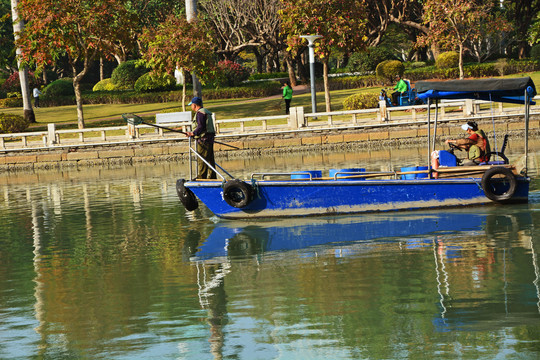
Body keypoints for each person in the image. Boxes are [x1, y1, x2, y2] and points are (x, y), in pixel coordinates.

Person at [185, 96, 216, 179]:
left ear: (195, 105)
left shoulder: (200, 113)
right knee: (209, 160)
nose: (191, 107)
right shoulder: (206, 112)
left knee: (202, 160)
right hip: (209, 140)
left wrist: (193, 133)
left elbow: (200, 127)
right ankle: (212, 178)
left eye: (191, 105)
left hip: (203, 141)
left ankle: (201, 178)